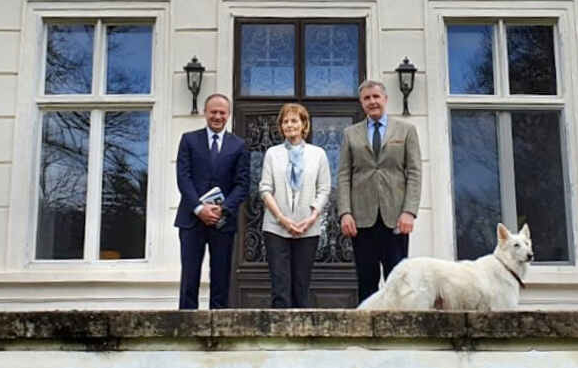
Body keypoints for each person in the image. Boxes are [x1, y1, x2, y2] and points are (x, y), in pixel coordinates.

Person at [337, 78, 422, 304]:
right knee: (366, 280)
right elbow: (344, 175)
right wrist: (345, 212)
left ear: (385, 99)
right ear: (361, 103)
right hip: (361, 220)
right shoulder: (350, 134)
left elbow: (414, 172)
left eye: (376, 97)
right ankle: (366, 332)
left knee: (398, 281)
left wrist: (409, 212)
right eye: (367, 98)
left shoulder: (406, 131)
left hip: (395, 218)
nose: (372, 101)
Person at [174, 93, 249, 309]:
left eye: (222, 113)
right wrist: (199, 208)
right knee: (189, 276)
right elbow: (183, 177)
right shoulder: (189, 140)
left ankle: (218, 332)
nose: (217, 116)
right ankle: (187, 326)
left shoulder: (239, 145)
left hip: (222, 222)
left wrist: (222, 209)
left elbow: (242, 184)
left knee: (221, 277)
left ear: (228, 115)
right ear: (205, 113)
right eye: (213, 112)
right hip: (191, 220)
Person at [258, 102, 331, 309]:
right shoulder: (272, 153)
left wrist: (312, 217)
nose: (290, 125)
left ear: (303, 124)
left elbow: (324, 189)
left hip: (308, 228)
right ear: (281, 126)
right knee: (280, 286)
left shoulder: (318, 154)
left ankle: (301, 336)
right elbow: (265, 188)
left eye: (294, 120)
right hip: (275, 227)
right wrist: (282, 218)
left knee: (301, 284)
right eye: (285, 121)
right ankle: (279, 337)